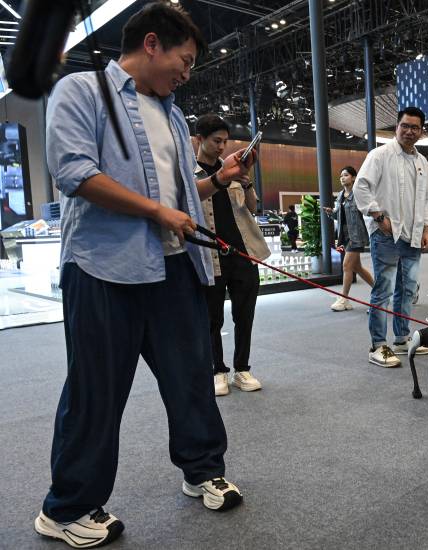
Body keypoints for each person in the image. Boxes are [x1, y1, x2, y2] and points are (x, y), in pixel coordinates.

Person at [36, 3, 254, 547]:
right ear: (152, 43)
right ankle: (66, 508)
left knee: (191, 379)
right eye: (184, 59)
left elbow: (175, 198)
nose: (187, 71)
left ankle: (202, 469)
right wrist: (158, 213)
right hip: (102, 268)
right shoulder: (82, 92)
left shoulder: (176, 117)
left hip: (172, 267)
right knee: (96, 390)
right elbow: (74, 172)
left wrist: (216, 180)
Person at [194, 114, 270, 396]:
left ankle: (242, 368)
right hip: (209, 255)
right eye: (216, 141)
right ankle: (217, 370)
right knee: (212, 318)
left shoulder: (232, 170)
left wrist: (245, 179)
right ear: (199, 139)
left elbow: (252, 207)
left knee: (245, 314)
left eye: (225, 141)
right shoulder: (190, 174)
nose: (221, 147)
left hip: (242, 253)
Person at [354, 107, 428, 367]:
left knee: (407, 289)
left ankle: (401, 338)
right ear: (396, 127)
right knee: (384, 289)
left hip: (412, 235)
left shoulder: (421, 162)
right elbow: (361, 186)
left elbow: (426, 198)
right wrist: (378, 218)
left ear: (421, 131)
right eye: (405, 126)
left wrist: (427, 228)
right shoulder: (380, 155)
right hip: (386, 234)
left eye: (415, 127)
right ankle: (378, 344)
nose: (410, 131)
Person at [325, 166, 374, 311]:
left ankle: (344, 299)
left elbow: (367, 212)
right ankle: (380, 291)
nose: (342, 178)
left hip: (356, 236)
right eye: (341, 175)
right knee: (357, 267)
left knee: (347, 266)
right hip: (345, 236)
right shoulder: (340, 195)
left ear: (353, 177)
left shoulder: (358, 194)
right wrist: (331, 213)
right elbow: (339, 216)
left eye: (345, 175)